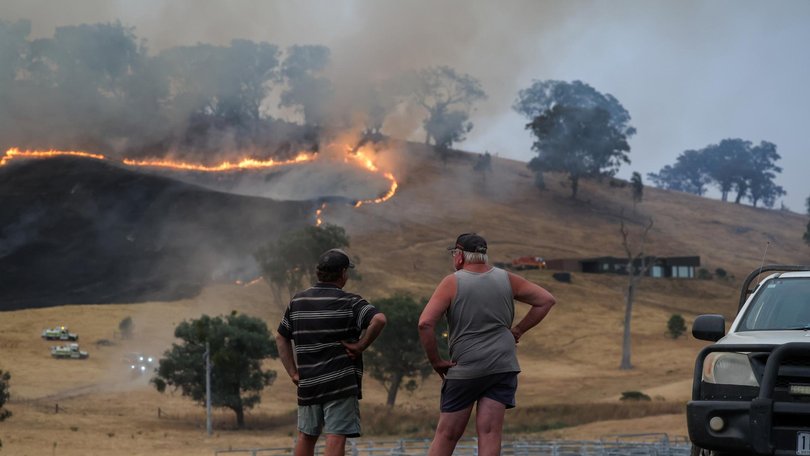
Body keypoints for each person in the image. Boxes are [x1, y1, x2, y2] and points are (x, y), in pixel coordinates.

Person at [418, 233, 556, 456]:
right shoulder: (506, 278)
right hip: (502, 366)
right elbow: (546, 300)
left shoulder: (452, 282)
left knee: (448, 434)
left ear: (460, 256)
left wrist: (436, 362)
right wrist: (518, 330)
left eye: (454, 253)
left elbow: (425, 323)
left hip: (466, 368)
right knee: (490, 433)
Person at [276, 248, 387, 456]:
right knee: (335, 436)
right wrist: (361, 345)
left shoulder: (298, 301)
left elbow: (281, 336)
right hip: (340, 383)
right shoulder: (351, 302)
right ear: (343, 273)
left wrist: (293, 372)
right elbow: (379, 319)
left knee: (306, 436)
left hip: (308, 383)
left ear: (319, 272)